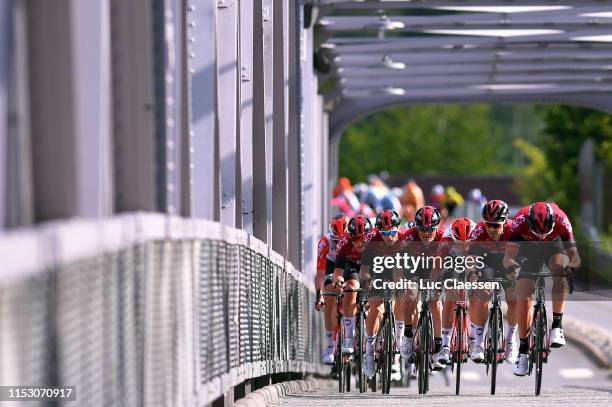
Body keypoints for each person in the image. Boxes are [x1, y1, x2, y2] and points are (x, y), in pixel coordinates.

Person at [503, 202, 581, 376]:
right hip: (527, 249)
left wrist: (572, 268)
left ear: (553, 223)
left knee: (559, 271)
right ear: (529, 223)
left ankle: (557, 327)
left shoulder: (561, 219)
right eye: (537, 232)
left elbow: (575, 256)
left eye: (545, 231)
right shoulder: (519, 221)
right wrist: (512, 268)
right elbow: (508, 257)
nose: (541, 235)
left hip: (553, 247)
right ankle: (522, 353)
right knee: (525, 297)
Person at [467, 200, 519, 364]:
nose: (491, 229)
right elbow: (471, 259)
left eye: (496, 225)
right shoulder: (479, 231)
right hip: (487, 263)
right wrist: (472, 272)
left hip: (508, 263)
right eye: (488, 224)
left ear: (505, 222)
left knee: (514, 298)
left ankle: (511, 341)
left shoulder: (514, 230)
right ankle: (479, 344)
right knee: (482, 293)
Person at [359, 209, 406, 380]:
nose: (389, 237)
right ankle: (369, 355)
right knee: (376, 309)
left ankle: (396, 356)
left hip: (397, 272)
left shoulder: (403, 241)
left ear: (397, 229)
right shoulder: (371, 242)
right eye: (384, 233)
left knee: (400, 301)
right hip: (377, 275)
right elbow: (364, 269)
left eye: (392, 232)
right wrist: (365, 281)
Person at [396, 206, 445, 368]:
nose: (426, 233)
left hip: (434, 270)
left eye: (430, 229)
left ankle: (438, 347)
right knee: (410, 294)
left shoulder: (442, 238)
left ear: (437, 227)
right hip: (414, 269)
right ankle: (408, 335)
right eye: (422, 229)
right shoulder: (408, 238)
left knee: (435, 303)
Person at [430, 217, 476, 369]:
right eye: (460, 243)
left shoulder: (478, 235)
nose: (463, 246)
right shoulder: (447, 239)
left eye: (466, 243)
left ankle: (475, 335)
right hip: (451, 260)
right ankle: (445, 346)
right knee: (451, 294)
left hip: (474, 258)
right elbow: (438, 265)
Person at [332, 215, 374, 356]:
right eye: (355, 239)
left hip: (373, 266)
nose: (359, 243)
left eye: (362, 238)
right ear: (349, 237)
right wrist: (338, 282)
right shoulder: (343, 243)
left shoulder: (376, 242)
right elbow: (337, 271)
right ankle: (349, 338)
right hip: (352, 267)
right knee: (351, 288)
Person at [315, 215, 349, 365]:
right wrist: (319, 296)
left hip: (348, 264)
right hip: (331, 265)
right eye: (337, 241)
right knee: (329, 295)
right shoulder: (325, 242)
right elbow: (321, 274)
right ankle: (329, 345)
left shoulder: (354, 240)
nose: (340, 244)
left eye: (343, 240)